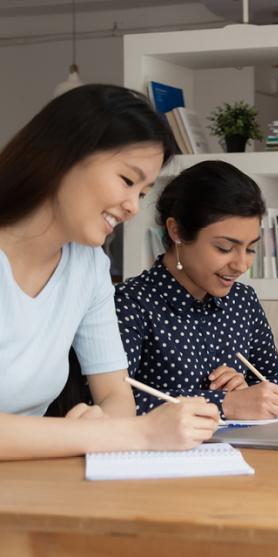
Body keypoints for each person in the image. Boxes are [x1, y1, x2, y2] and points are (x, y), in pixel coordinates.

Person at [0, 84, 219, 459]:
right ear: (64, 156)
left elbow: (116, 394)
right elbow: (126, 426)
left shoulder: (89, 265)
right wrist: (133, 434)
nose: (133, 207)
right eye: (127, 180)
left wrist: (103, 424)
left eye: (143, 192)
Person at [115, 160, 278, 420]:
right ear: (176, 231)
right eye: (224, 248)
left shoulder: (243, 301)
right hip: (158, 456)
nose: (241, 264)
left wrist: (250, 392)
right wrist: (225, 403)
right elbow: (108, 403)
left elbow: (276, 383)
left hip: (244, 453)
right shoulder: (131, 303)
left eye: (251, 248)